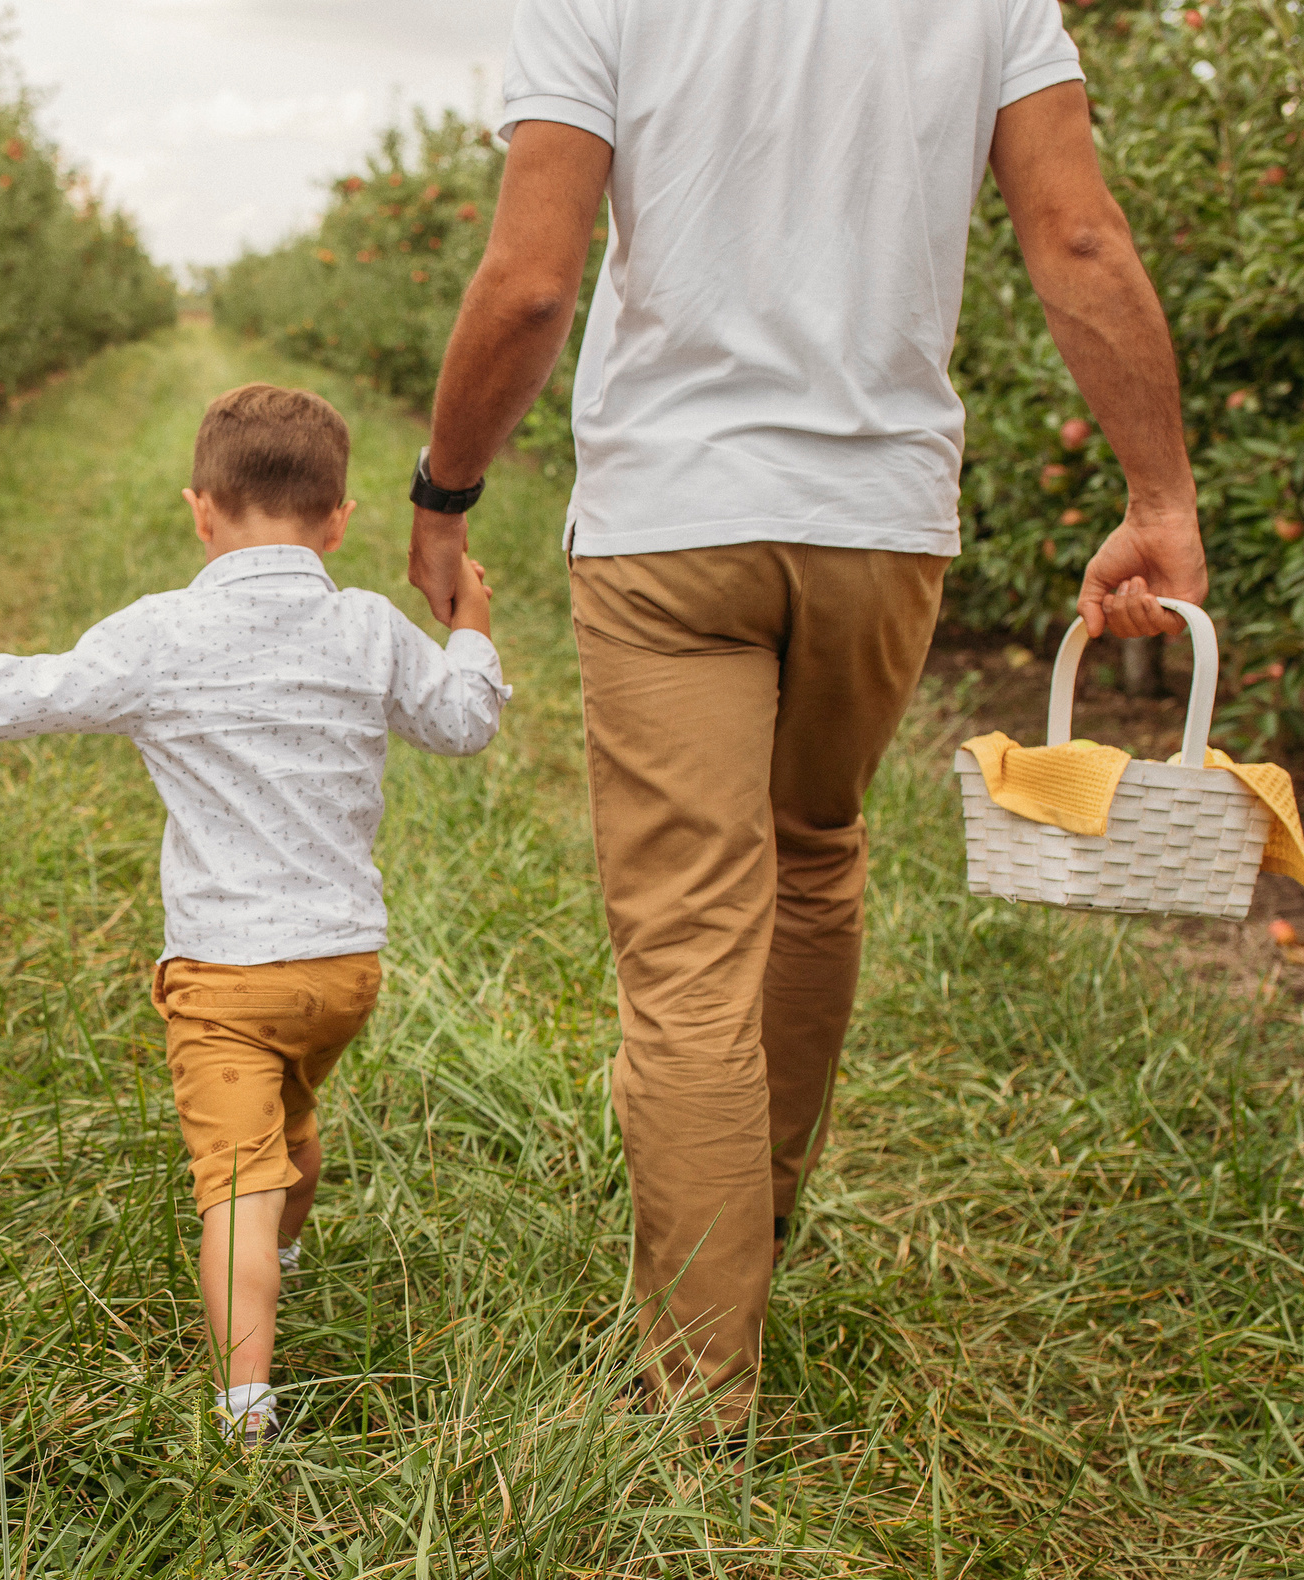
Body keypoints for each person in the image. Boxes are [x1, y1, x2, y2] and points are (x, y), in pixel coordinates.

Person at [406, 0, 1205, 1438]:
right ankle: (752, 1225)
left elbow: (533, 280)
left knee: (690, 943)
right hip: (878, 518)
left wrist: (446, 490)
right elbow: (1079, 238)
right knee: (818, 848)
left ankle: (699, 1390)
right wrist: (1159, 498)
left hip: (673, 515)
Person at [0, 385, 509, 1440]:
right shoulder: (368, 628)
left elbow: (33, 691)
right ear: (337, 522)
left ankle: (243, 1404)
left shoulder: (162, 634)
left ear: (200, 511)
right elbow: (461, 726)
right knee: (291, 1122)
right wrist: (471, 633)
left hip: (226, 977)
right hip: (341, 976)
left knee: (232, 1180)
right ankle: (279, 1253)